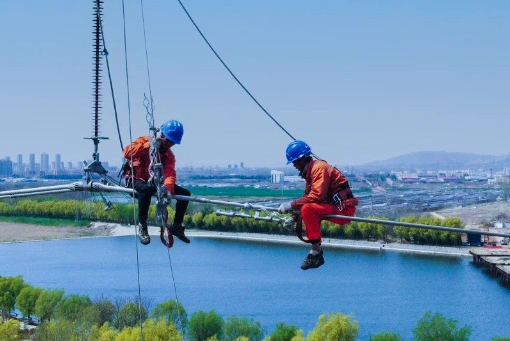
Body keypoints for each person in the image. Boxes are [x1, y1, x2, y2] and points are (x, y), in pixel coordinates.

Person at [278, 140, 358, 270]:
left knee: (308, 209)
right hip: (335, 208)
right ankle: (316, 251)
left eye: (294, 162)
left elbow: (317, 196)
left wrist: (290, 205)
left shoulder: (318, 168)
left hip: (344, 211)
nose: (294, 166)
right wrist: (293, 217)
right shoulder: (310, 173)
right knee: (307, 208)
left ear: (302, 159)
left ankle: (316, 252)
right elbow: (307, 197)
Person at [123, 119, 191, 245]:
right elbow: (127, 152)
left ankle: (177, 225)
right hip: (135, 179)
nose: (170, 145)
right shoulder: (144, 141)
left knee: (185, 194)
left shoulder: (169, 156)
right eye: (169, 141)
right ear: (162, 135)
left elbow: (170, 173)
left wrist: (167, 188)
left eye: (173, 143)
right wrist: (149, 145)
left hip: (153, 181)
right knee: (146, 189)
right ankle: (142, 225)